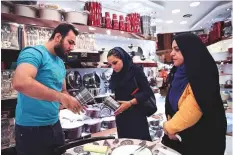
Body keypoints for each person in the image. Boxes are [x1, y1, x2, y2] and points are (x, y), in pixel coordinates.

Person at [12, 23, 83, 155]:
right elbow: (20, 82)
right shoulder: (34, 53)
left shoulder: (60, 63)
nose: (72, 47)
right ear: (57, 37)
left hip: (54, 125)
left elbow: (62, 91)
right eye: (70, 42)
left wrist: (69, 100)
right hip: (30, 129)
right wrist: (61, 97)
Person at [162, 33, 227, 155]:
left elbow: (193, 109)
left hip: (203, 138)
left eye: (177, 49)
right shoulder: (178, 71)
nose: (171, 53)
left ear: (189, 51)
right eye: (172, 49)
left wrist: (169, 127)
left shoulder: (202, 73)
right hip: (182, 134)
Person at [107, 47, 155, 141]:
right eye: (110, 64)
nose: (113, 67)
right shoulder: (116, 74)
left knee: (140, 144)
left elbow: (147, 91)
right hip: (121, 116)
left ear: (123, 58)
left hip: (136, 115)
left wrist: (130, 103)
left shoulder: (135, 70)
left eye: (115, 63)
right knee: (125, 144)